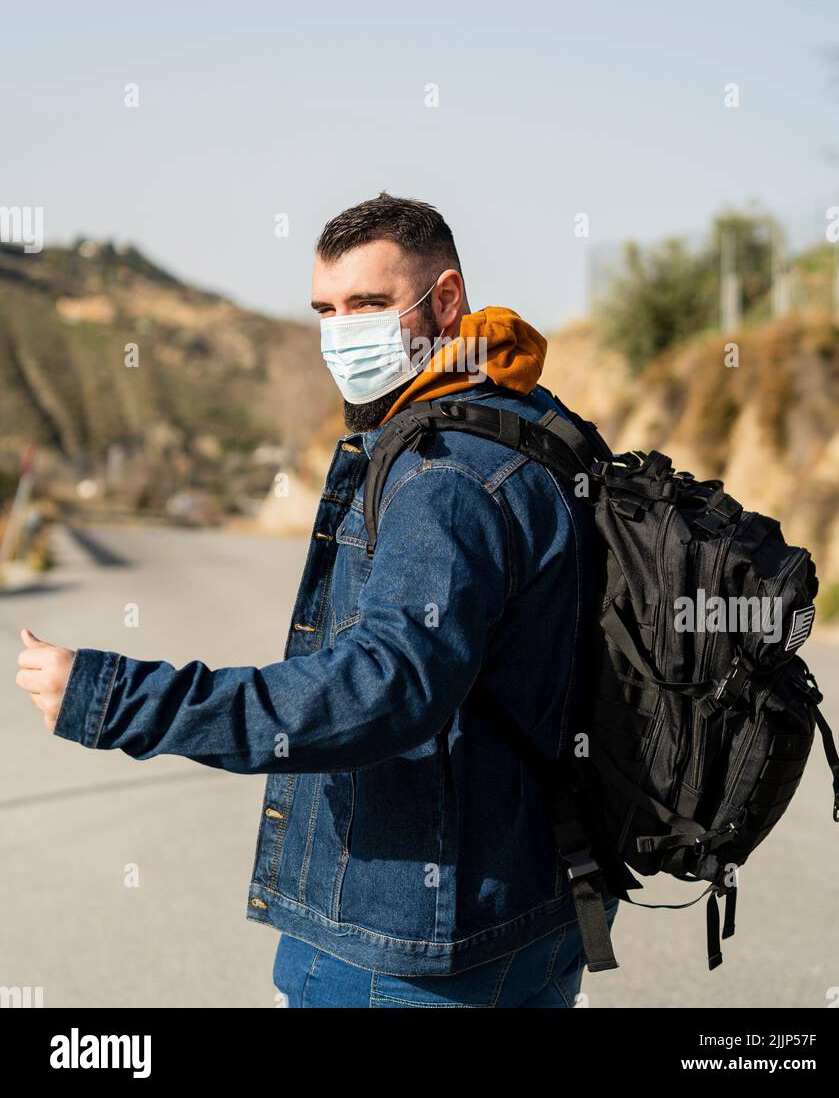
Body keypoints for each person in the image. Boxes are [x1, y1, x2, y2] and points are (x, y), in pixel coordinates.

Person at [16, 191, 619, 1008]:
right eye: (326, 310)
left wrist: (116, 698)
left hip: (406, 947)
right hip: (536, 911)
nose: (343, 332)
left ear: (445, 300)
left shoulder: (441, 472)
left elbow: (381, 688)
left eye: (369, 304)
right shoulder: (538, 425)